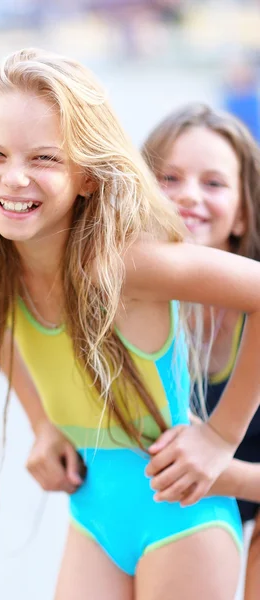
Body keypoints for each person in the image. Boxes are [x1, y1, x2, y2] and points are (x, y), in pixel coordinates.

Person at [0, 49, 260, 599]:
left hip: (182, 523)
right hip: (93, 518)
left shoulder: (123, 264)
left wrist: (219, 437)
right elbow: (1, 329)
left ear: (88, 176)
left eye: (44, 158)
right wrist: (42, 423)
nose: (14, 178)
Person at [142, 103, 260, 600]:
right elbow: (17, 294)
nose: (189, 196)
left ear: (242, 214)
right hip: (167, 513)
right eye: (169, 177)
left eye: (213, 183)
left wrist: (221, 466)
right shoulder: (127, 296)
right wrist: (43, 428)